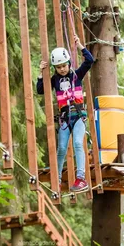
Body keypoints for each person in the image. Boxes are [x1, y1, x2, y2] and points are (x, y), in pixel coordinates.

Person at [36, 35, 94, 192]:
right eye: (58, 67)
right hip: (64, 119)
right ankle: (58, 178)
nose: (62, 69)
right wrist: (41, 73)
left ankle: (81, 178)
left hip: (78, 116)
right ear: (55, 68)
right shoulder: (55, 80)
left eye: (64, 66)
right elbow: (41, 89)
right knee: (61, 148)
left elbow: (90, 61)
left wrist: (80, 45)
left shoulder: (76, 75)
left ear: (69, 64)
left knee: (77, 143)